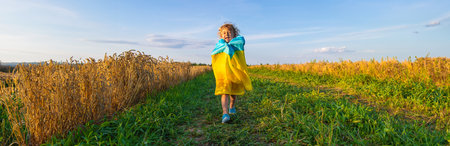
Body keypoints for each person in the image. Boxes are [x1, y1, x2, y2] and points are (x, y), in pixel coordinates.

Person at [211, 23, 252, 123]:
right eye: (224, 33)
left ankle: (231, 106)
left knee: (233, 95)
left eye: (229, 32)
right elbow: (215, 56)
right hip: (223, 74)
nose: (226, 34)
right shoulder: (219, 46)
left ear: (234, 34)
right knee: (224, 92)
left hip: (234, 74)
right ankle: (225, 114)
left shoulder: (237, 44)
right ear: (221, 35)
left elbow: (242, 41)